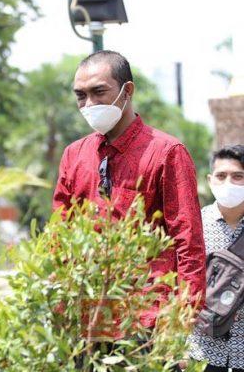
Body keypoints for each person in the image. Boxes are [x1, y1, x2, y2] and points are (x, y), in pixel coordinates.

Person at [53, 50, 206, 328]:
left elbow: (187, 238)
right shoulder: (74, 155)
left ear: (127, 91)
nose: (89, 103)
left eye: (99, 91)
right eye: (81, 95)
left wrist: (186, 311)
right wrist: (59, 303)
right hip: (91, 313)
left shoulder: (167, 152)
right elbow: (60, 234)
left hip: (150, 313)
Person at [190, 145, 244, 372]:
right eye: (221, 176)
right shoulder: (194, 225)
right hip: (202, 350)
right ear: (210, 180)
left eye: (238, 176)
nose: (228, 183)